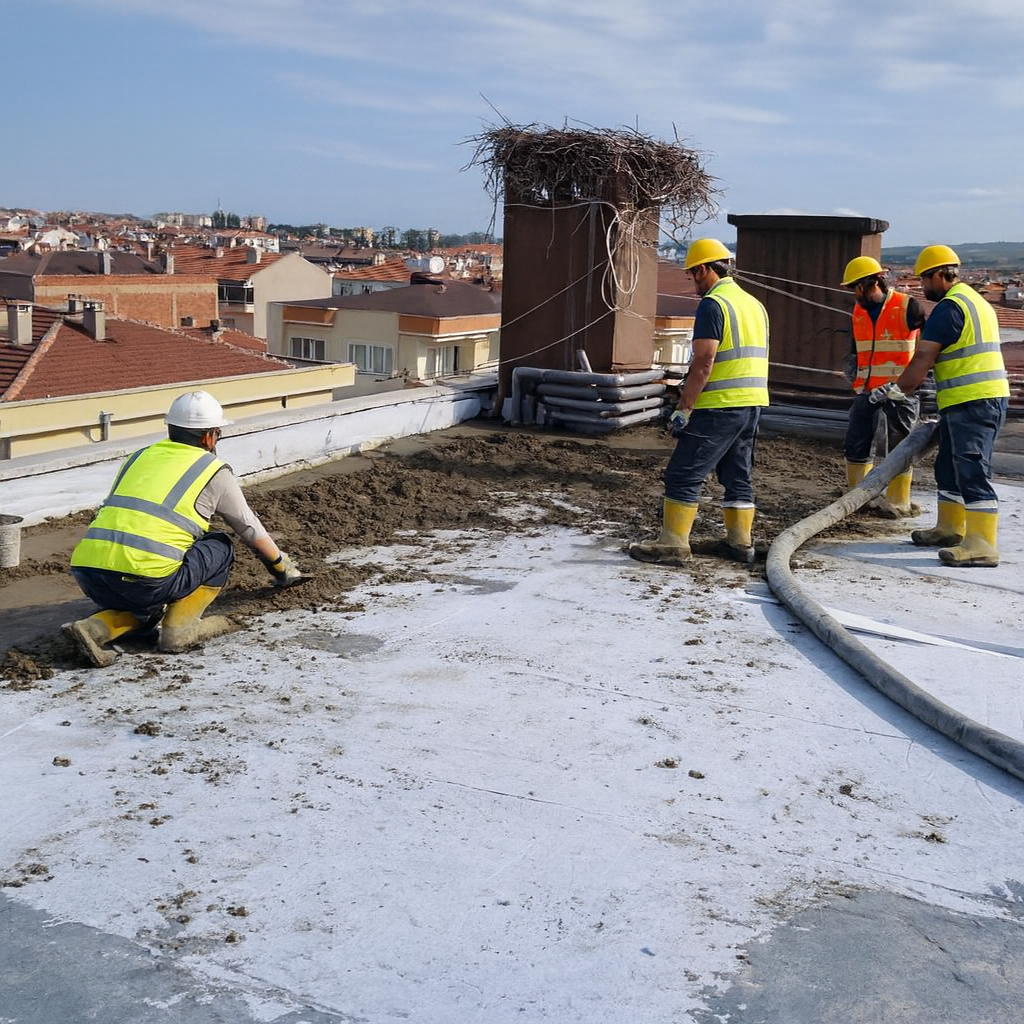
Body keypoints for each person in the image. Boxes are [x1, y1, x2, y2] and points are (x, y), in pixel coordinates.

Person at [64, 390, 304, 666]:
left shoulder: (139, 457)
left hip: (90, 575)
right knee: (220, 546)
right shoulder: (211, 469)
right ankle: (180, 630)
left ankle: (93, 628)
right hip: (145, 580)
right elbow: (247, 526)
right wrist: (281, 568)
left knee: (147, 607)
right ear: (209, 436)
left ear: (170, 428)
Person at [629, 238, 769, 565]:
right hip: (751, 405)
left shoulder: (713, 304)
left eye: (693, 275)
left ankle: (673, 544)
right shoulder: (754, 304)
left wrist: (684, 407)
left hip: (718, 403)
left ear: (704, 269)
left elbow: (704, 361)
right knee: (737, 474)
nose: (693, 284)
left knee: (683, 473)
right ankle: (739, 542)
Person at [882, 245, 1010, 567]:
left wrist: (897, 392)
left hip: (975, 400)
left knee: (970, 466)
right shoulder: (976, 301)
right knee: (949, 467)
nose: (923, 287)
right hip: (967, 400)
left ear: (940, 274)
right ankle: (950, 528)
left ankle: (982, 543)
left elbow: (923, 357)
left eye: (925, 279)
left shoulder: (950, 308)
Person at [839, 255, 926, 516]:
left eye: (856, 286)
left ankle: (899, 500)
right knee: (856, 443)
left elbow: (925, 350)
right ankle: (860, 498)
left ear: (872, 282)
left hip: (901, 391)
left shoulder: (908, 306)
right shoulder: (858, 311)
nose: (853, 294)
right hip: (867, 389)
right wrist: (854, 378)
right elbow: (857, 351)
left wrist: (913, 383)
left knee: (901, 446)